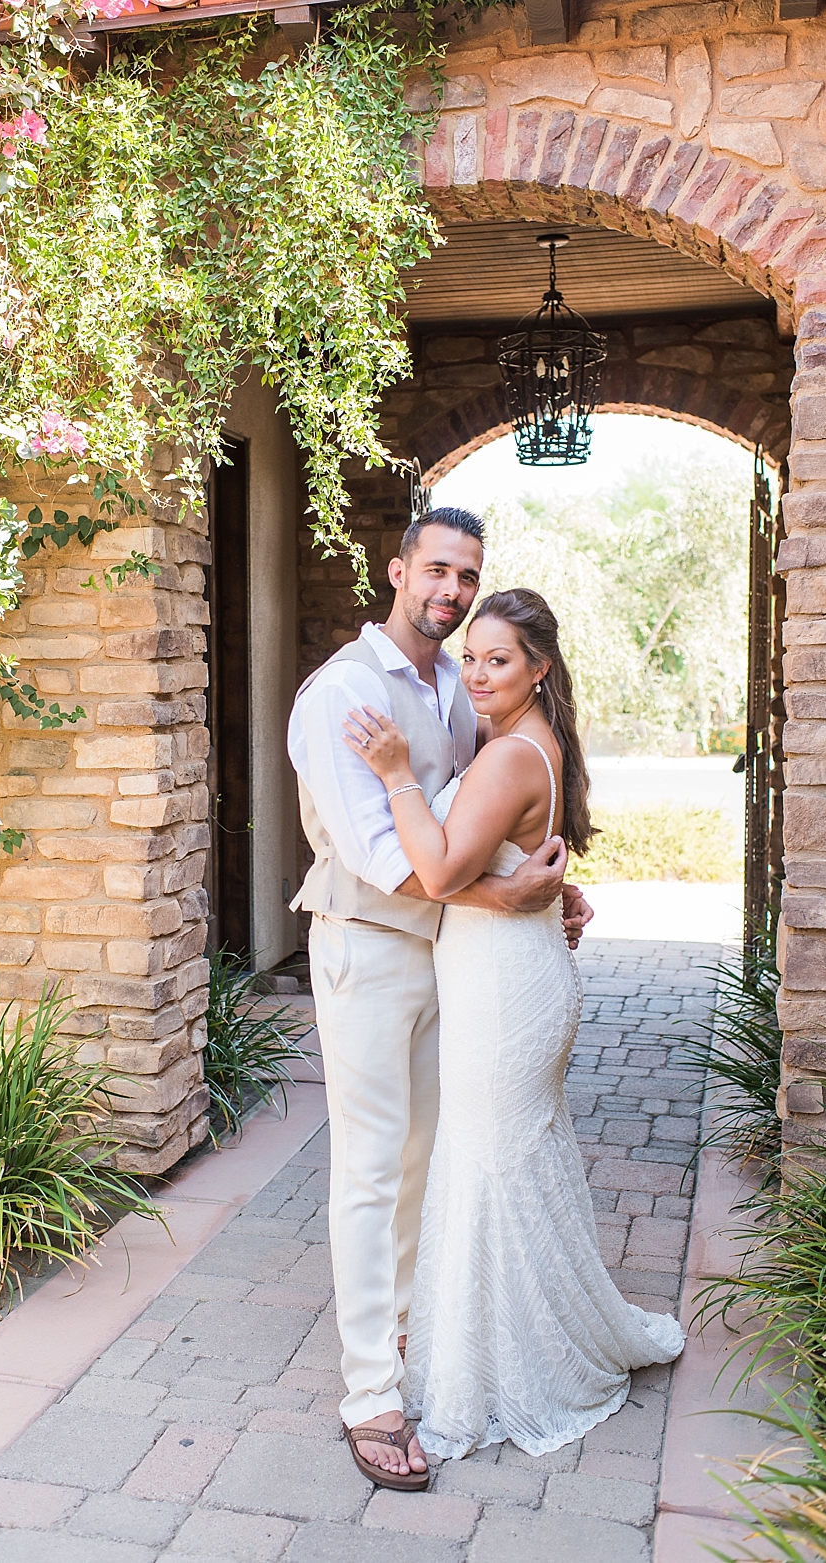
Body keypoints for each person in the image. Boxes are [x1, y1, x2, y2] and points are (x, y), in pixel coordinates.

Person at [287, 513, 593, 1492]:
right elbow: (386, 857)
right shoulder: (339, 693)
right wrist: (505, 891)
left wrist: (535, 881)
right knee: (374, 1166)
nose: (453, 589)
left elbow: (472, 812)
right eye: (438, 569)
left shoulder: (457, 688)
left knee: (431, 1154)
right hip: (370, 952)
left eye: (468, 574)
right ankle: (371, 1390)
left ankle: (416, 1337)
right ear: (397, 571)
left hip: (454, 961)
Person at [344, 586, 684, 1462]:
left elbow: (444, 865)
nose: (480, 672)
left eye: (500, 659)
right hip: (517, 972)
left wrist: (394, 775)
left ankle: (519, 1363)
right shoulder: (535, 742)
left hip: (503, 988)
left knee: (488, 1169)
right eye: (473, 656)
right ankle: (495, 1337)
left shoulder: (505, 758)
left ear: (538, 668)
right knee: (498, 1164)